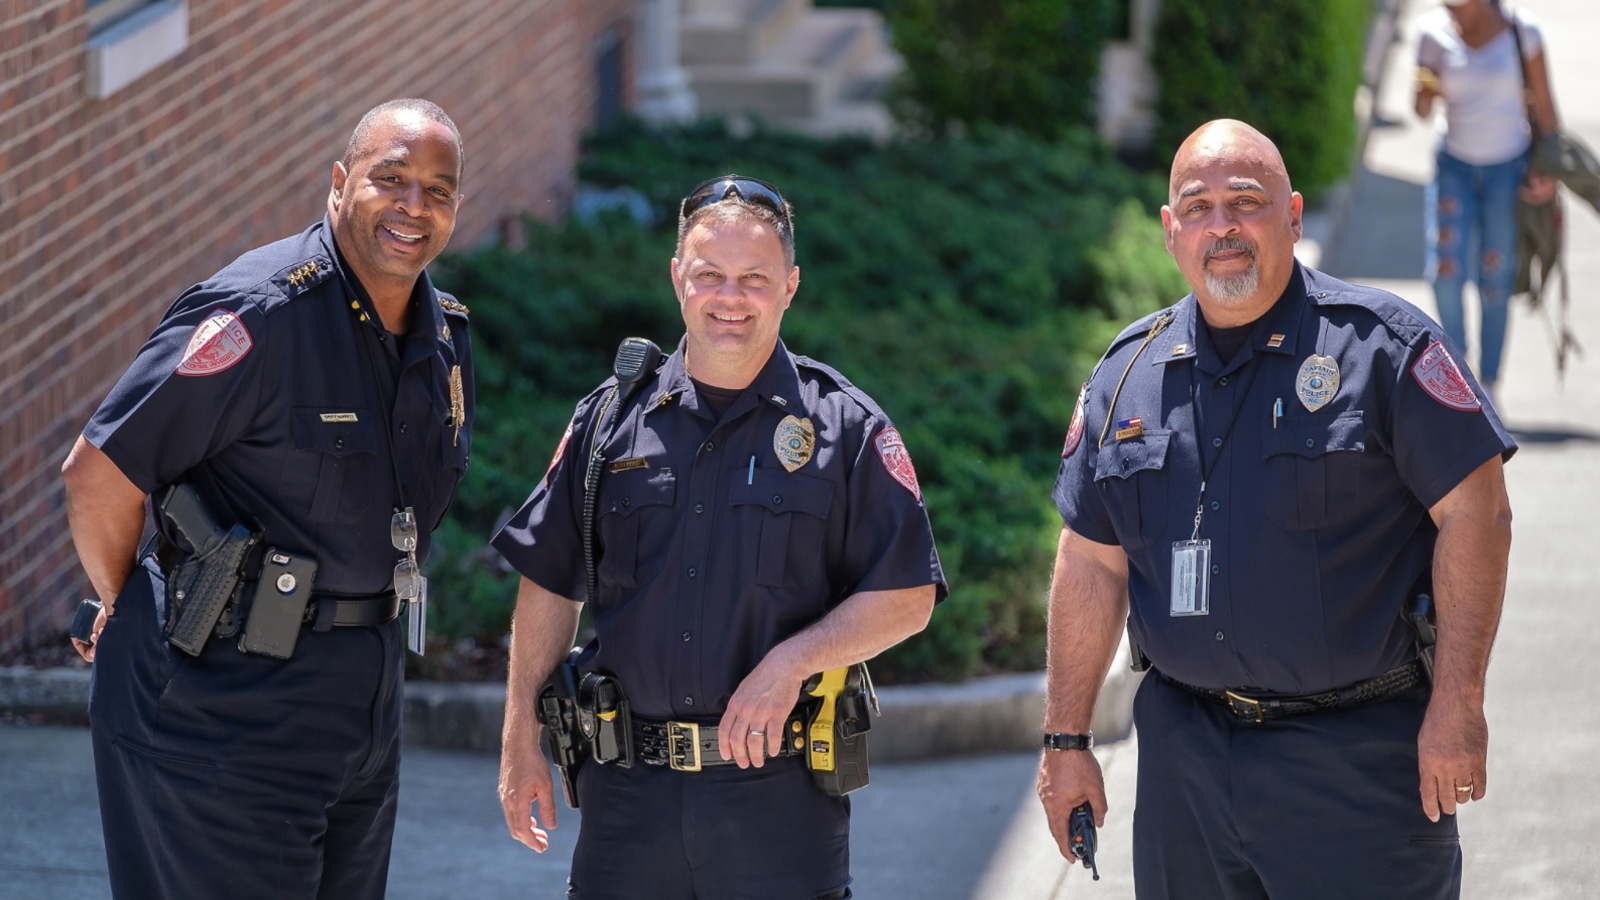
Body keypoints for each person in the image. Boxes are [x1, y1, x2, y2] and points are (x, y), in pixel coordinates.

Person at [1037, 120, 1515, 899]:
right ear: (1170, 231)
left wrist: (1460, 705)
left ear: (1293, 216)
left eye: (1246, 202)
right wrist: (1065, 739)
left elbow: (1478, 515)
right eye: (1198, 207)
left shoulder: (1384, 349)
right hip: (1184, 771)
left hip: (1357, 763)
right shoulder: (1128, 376)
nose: (1221, 226)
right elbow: (1090, 559)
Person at [60, 98, 473, 900]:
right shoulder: (259, 315)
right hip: (218, 705)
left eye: (438, 189)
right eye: (390, 179)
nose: (413, 207)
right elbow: (98, 472)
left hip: (360, 704)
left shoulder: (443, 335)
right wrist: (123, 604)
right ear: (339, 182)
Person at [492, 175, 945, 899]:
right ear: (678, 278)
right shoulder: (609, 422)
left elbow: (908, 594)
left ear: (790, 286)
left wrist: (794, 661)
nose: (729, 298)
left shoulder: (845, 428)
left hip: (779, 805)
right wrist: (519, 740)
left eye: (754, 279)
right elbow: (549, 579)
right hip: (626, 801)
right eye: (710, 275)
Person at [1415, 0, 1561, 403]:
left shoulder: (1522, 32)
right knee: (1443, 273)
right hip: (1454, 169)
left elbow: (1546, 110)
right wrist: (1424, 94)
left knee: (1495, 280)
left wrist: (1549, 171)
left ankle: (1491, 385)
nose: (1452, 11)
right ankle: (1461, 377)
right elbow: (1421, 110)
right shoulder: (1432, 34)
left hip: (1508, 171)